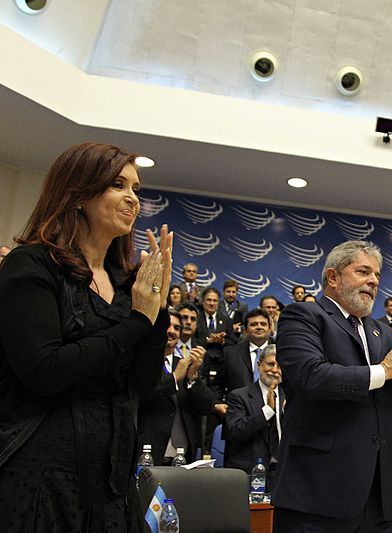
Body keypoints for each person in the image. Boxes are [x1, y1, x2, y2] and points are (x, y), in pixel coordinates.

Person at [0, 142, 173, 531]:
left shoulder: (125, 282)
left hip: (110, 482)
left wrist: (156, 312)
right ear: (78, 192)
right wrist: (135, 322)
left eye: (136, 189)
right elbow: (44, 371)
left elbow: (141, 385)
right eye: (118, 185)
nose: (132, 199)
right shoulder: (32, 264)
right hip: (38, 480)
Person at [272, 240, 392, 531]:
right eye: (363, 272)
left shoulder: (382, 331)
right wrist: (384, 370)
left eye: (377, 276)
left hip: (381, 499)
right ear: (333, 277)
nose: (373, 281)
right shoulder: (304, 316)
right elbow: (312, 377)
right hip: (318, 495)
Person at [137, 311, 215, 465]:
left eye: (177, 328)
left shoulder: (184, 365)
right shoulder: (140, 361)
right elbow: (139, 395)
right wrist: (174, 378)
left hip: (182, 457)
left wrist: (193, 377)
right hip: (147, 454)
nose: (171, 331)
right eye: (167, 326)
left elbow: (206, 406)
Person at [223, 344, 284, 492]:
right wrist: (267, 411)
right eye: (270, 364)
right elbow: (235, 431)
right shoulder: (239, 396)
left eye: (279, 366)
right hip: (250, 474)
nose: (275, 370)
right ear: (259, 365)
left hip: (283, 474)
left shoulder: (292, 397)